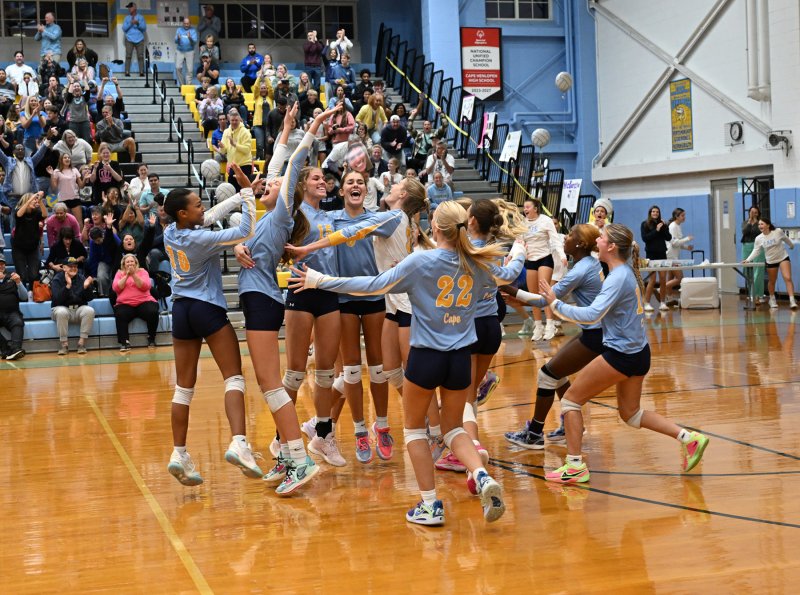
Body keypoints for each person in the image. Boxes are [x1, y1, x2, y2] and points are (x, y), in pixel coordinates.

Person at [289, 200, 523, 525]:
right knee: (453, 428)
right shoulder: (478, 263)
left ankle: (430, 505)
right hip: (459, 359)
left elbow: (372, 285)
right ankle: (481, 474)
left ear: (436, 229)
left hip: (426, 356)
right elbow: (510, 275)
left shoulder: (420, 262)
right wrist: (522, 250)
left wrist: (320, 280)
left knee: (414, 430)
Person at [540, 223, 710, 484]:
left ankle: (574, 466)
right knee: (631, 414)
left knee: (571, 401)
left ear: (611, 247)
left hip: (622, 355)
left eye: (602, 237)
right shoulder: (622, 273)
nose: (597, 239)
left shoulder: (617, 277)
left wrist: (555, 302)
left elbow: (591, 315)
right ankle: (689, 438)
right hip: (638, 353)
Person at [232, 106, 330, 494]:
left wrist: (311, 131)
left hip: (262, 300)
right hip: (258, 299)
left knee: (272, 385)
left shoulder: (280, 216)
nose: (265, 186)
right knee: (268, 382)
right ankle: (289, 457)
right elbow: (276, 168)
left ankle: (299, 458)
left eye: (270, 187)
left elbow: (288, 172)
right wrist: (285, 129)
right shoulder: (264, 219)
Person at [162, 165, 261, 486]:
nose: (202, 207)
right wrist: (246, 195)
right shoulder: (202, 240)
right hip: (207, 308)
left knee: (183, 387)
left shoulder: (170, 232)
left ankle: (179, 453)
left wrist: (233, 198)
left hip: (181, 311)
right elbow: (246, 231)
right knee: (233, 377)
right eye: (197, 205)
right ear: (182, 212)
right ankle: (239, 443)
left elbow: (206, 218)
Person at [504, 224, 603, 448]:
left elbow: (542, 300)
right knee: (555, 373)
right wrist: (518, 298)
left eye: (569, 236)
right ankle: (569, 425)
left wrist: (508, 288)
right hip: (595, 331)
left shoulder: (580, 270)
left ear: (579, 244)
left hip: (596, 335)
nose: (564, 238)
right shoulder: (590, 264)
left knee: (547, 375)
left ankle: (535, 434)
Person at [521, 197, 566, 341]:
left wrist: (562, 255)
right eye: (524, 207)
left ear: (535, 209)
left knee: (544, 292)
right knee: (533, 295)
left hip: (545, 258)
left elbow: (555, 240)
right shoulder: (522, 223)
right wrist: (511, 256)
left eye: (528, 207)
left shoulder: (546, 220)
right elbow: (519, 242)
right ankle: (538, 325)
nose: (525, 209)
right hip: (530, 260)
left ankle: (550, 325)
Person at [743, 217, 797, 309]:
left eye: (762, 224)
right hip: (771, 261)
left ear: (768, 225)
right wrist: (748, 259)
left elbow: (785, 239)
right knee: (772, 281)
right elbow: (756, 251)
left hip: (783, 257)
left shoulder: (777, 232)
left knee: (787, 277)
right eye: (759, 224)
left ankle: (792, 301)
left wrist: (791, 245)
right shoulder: (759, 239)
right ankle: (772, 299)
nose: (760, 226)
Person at [112, 254, 159, 351]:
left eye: (132, 261)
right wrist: (127, 275)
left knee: (152, 311)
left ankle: (151, 338)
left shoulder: (142, 271)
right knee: (120, 313)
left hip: (144, 301)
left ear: (136, 263)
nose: (130, 263)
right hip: (125, 303)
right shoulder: (119, 273)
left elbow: (145, 287)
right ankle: (124, 342)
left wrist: (133, 274)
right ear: (124, 264)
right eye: (127, 262)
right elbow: (116, 288)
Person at [51, 256, 96, 355]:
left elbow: (90, 298)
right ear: (64, 268)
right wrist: (68, 286)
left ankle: (81, 343)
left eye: (75, 266)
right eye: (70, 266)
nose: (73, 268)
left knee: (90, 310)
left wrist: (86, 287)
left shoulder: (81, 277)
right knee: (61, 311)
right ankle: (64, 345)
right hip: (62, 309)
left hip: (78, 309)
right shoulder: (57, 279)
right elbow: (57, 300)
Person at [640, 205, 672, 312]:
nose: (655, 213)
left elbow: (669, 237)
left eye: (657, 212)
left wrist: (664, 227)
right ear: (650, 213)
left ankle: (663, 302)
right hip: (651, 254)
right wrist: (656, 230)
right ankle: (647, 303)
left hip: (662, 254)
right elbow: (645, 238)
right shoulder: (645, 224)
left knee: (663, 279)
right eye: (653, 212)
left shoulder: (662, 224)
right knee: (652, 280)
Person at [219, 108, 253, 192]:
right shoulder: (226, 132)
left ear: (240, 120)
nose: (234, 122)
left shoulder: (245, 132)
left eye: (236, 120)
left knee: (244, 191)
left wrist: (235, 144)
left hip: (244, 165)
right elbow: (223, 151)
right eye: (232, 120)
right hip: (233, 166)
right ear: (229, 120)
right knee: (232, 191)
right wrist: (222, 146)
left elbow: (247, 149)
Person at [0, 254, 27, 360]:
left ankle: (16, 350)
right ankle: (5, 349)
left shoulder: (13, 278)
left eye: (2, 264)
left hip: (12, 312)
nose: (1, 266)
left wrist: (19, 282)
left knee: (17, 322)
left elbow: (24, 297)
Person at [664, 208, 693, 306]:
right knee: (680, 278)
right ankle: (661, 289)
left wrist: (686, 247)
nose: (684, 217)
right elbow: (674, 243)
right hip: (671, 256)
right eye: (682, 215)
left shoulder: (677, 226)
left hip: (673, 255)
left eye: (684, 215)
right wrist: (687, 239)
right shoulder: (673, 226)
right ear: (676, 216)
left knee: (671, 277)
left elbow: (677, 243)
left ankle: (669, 299)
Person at [48, 153, 84, 223]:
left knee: (79, 222)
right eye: (65, 158)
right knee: (65, 222)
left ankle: (79, 234)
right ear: (61, 160)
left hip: (75, 198)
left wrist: (85, 178)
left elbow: (81, 186)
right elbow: (54, 188)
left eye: (68, 158)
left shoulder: (75, 170)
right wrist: (52, 175)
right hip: (62, 200)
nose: (67, 159)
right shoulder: (56, 171)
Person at [741, 205, 766, 304]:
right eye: (751, 212)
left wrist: (755, 221)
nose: (753, 214)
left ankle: (756, 294)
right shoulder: (745, 222)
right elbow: (745, 232)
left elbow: (757, 232)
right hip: (746, 246)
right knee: (747, 271)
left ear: (758, 214)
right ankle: (753, 293)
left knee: (758, 271)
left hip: (758, 247)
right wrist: (749, 222)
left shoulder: (761, 223)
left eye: (755, 212)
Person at [123, 3, 147, 77]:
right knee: (128, 56)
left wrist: (138, 23)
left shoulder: (140, 17)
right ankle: (127, 72)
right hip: (129, 39)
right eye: (128, 8)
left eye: (130, 7)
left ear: (135, 7)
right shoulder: (127, 18)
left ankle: (141, 72)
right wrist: (131, 23)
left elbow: (144, 28)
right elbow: (124, 28)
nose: (129, 9)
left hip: (139, 39)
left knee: (140, 56)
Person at [174, 18, 198, 86]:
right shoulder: (179, 30)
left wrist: (190, 38)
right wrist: (178, 38)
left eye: (188, 23)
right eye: (185, 23)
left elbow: (194, 42)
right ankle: (182, 85)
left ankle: (188, 86)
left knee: (189, 70)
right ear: (183, 23)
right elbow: (175, 41)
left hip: (190, 51)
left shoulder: (193, 31)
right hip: (180, 51)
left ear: (190, 23)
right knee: (178, 68)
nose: (186, 25)